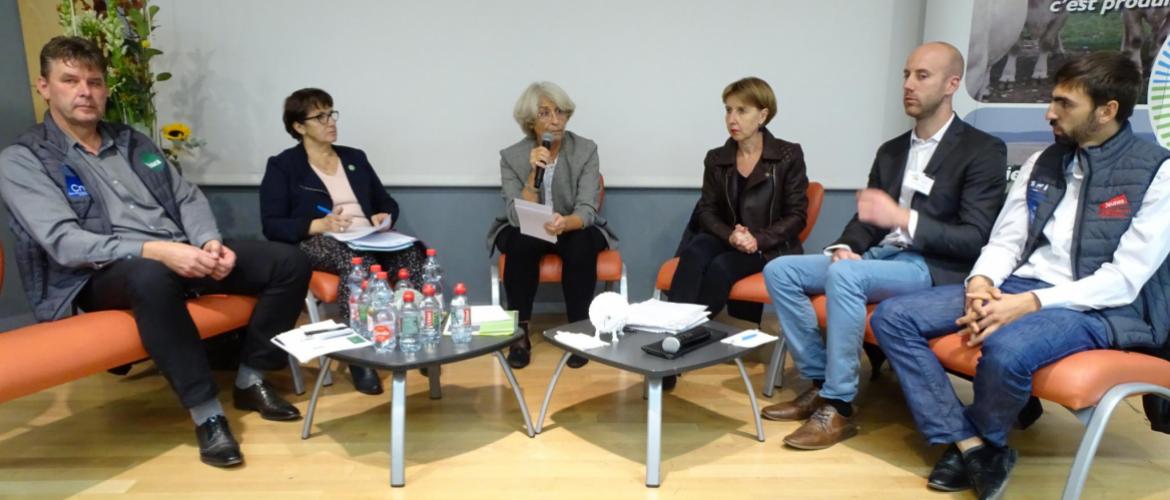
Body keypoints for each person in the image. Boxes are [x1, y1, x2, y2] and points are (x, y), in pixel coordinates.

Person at [0, 37, 312, 468]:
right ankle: (207, 414)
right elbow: (65, 243)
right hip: (96, 274)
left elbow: (186, 197)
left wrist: (207, 242)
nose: (84, 91)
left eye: (94, 81)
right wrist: (157, 251)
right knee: (149, 273)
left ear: (106, 88)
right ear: (44, 86)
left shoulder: (133, 142)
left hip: (176, 254)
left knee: (289, 262)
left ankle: (250, 376)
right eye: (70, 80)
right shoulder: (23, 160)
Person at [871, 52, 1170, 499]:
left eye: (1065, 104)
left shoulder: (1158, 172)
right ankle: (972, 443)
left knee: (1007, 349)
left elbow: (1126, 279)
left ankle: (986, 439)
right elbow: (1007, 241)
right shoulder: (1041, 162)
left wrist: (1027, 305)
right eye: (1053, 100)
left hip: (1097, 305)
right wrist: (980, 284)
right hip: (1019, 287)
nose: (1050, 112)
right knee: (892, 317)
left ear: (1108, 110)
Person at [758, 41, 1008, 450]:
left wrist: (903, 218)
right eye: (906, 75)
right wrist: (844, 246)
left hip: (929, 265)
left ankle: (839, 407)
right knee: (779, 271)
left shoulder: (982, 150)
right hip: (880, 257)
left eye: (921, 76)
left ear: (952, 84)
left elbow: (975, 238)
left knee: (846, 276)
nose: (908, 85)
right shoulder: (892, 151)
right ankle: (822, 383)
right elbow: (865, 219)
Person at [260, 88, 426, 395]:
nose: (330, 121)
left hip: (370, 237)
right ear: (299, 127)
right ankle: (359, 356)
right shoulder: (283, 166)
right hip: (321, 241)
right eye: (320, 116)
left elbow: (386, 201)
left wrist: (383, 217)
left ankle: (413, 333)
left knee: (413, 253)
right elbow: (272, 225)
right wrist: (316, 224)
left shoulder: (355, 158)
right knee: (358, 264)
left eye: (331, 113)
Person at [486, 81, 618, 369]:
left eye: (560, 112)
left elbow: (587, 207)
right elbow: (515, 215)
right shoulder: (511, 156)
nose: (555, 120)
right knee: (521, 241)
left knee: (581, 243)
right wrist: (534, 172)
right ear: (530, 121)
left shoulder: (585, 149)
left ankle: (580, 331)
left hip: (572, 225)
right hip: (527, 227)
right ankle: (519, 334)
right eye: (545, 113)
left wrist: (566, 222)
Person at [669, 76, 808, 321]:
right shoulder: (716, 158)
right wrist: (731, 235)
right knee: (695, 250)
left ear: (762, 115)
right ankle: (671, 326)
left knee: (722, 267)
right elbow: (707, 211)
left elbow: (797, 215)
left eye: (741, 111)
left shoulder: (788, 155)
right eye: (728, 110)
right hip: (729, 238)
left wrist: (757, 239)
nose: (732, 119)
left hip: (770, 247)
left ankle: (688, 332)